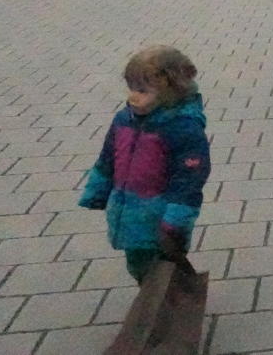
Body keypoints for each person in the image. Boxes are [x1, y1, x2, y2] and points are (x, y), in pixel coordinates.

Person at [78, 45, 210, 283]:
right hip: (128, 212)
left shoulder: (182, 127)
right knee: (139, 265)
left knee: (161, 263)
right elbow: (108, 158)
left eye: (143, 90)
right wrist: (97, 191)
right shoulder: (123, 120)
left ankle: (165, 305)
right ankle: (163, 296)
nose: (133, 96)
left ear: (171, 89)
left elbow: (189, 179)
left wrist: (176, 218)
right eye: (132, 89)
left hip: (162, 215)